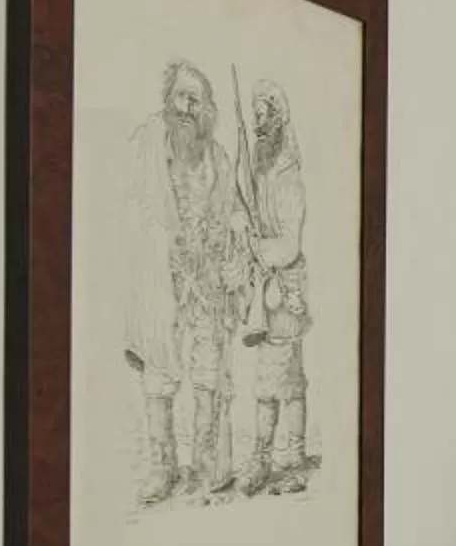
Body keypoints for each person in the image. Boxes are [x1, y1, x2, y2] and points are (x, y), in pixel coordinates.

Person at [119, 59, 250, 502]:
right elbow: (130, 207)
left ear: (208, 108)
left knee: (209, 373)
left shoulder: (219, 158)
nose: (188, 106)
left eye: (197, 98)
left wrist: (238, 256)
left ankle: (209, 465)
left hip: (207, 287)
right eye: (181, 95)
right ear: (168, 100)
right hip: (162, 282)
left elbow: (235, 213)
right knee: (159, 373)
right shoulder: (146, 145)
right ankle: (163, 469)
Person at [238, 80, 312, 495]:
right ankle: (263, 461)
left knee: (288, 380)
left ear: (280, 119)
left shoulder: (288, 177)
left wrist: (257, 248)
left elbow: (290, 244)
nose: (258, 122)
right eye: (256, 115)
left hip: (284, 288)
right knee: (267, 380)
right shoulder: (259, 168)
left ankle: (293, 463)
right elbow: (241, 207)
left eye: (265, 115)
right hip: (263, 288)